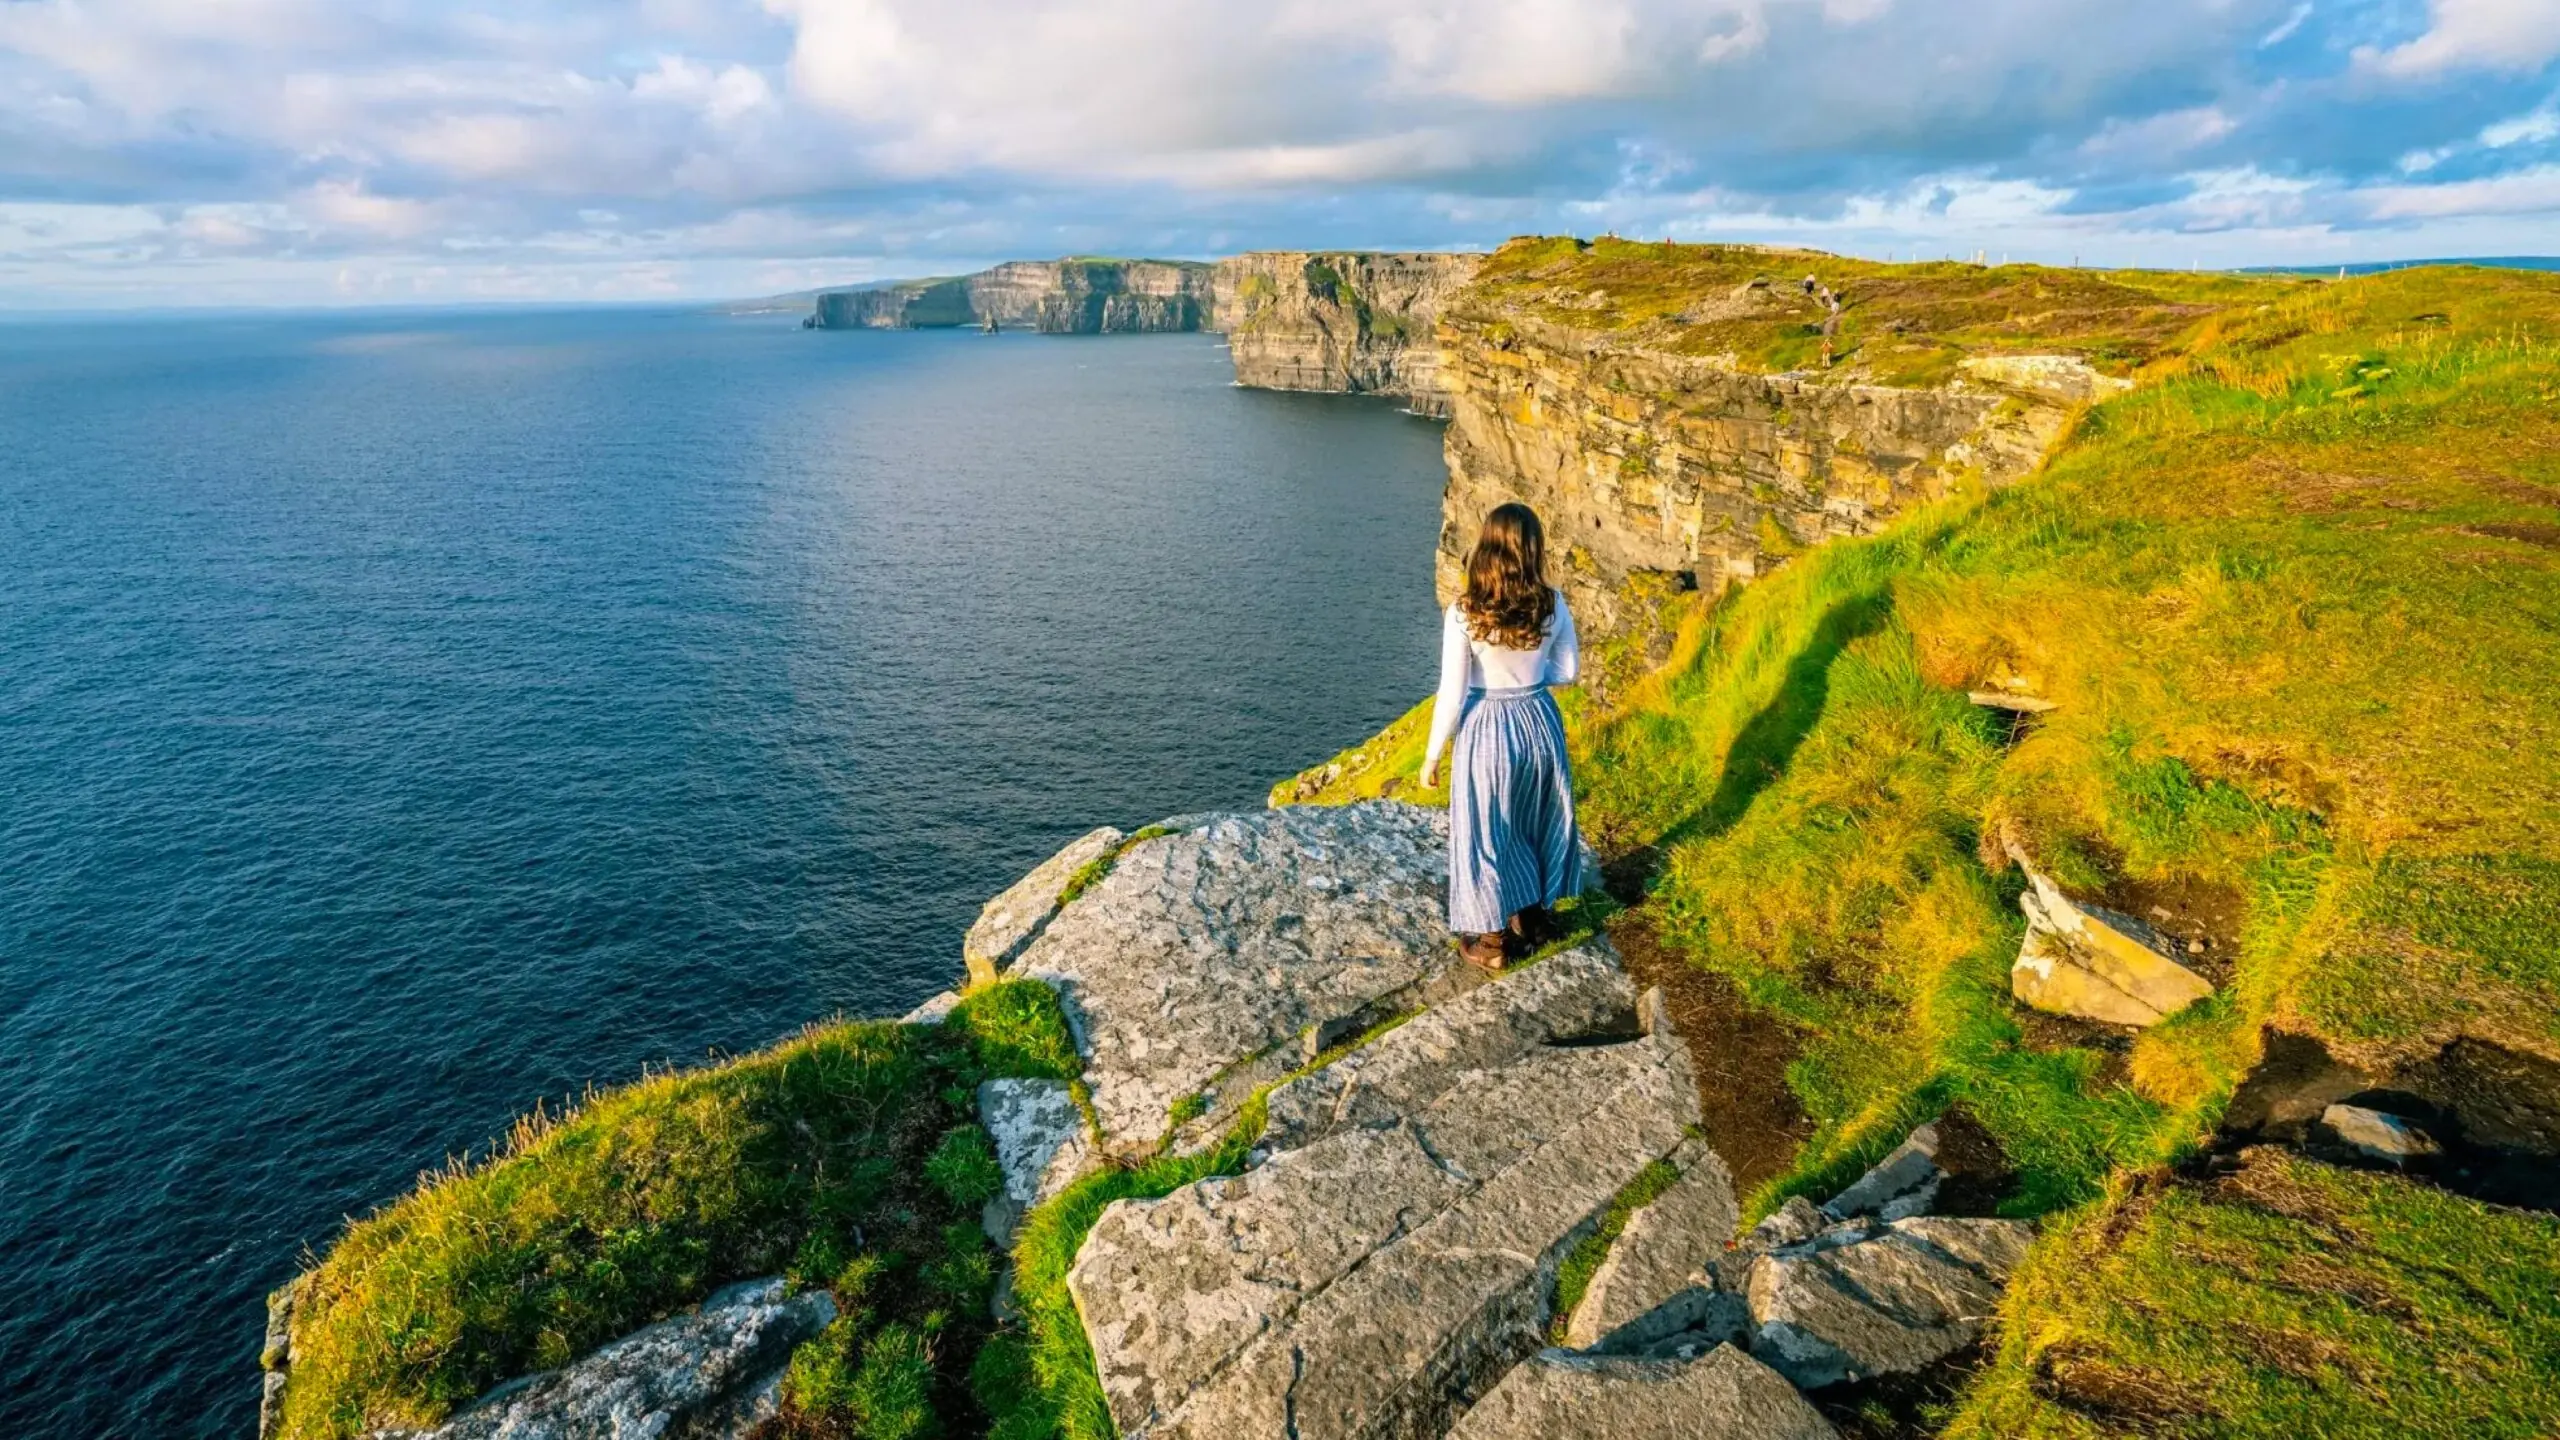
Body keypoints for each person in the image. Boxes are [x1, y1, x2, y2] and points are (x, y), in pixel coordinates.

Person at [1418, 502, 1582, 972]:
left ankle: (1490, 943)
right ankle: (1532, 919)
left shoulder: (1465, 612)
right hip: (1538, 719)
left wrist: (1431, 756)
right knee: (1536, 818)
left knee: (1487, 831)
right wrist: (1531, 674)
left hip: (1486, 726)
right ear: (1533, 550)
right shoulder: (1552, 603)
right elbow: (1568, 671)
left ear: (1487, 547)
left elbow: (1451, 691)